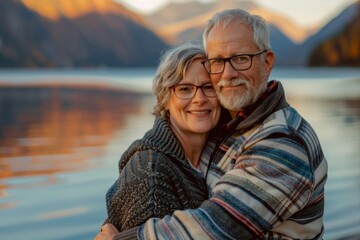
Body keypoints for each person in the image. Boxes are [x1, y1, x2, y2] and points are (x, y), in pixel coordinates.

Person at [101, 8, 328, 240]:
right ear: (165, 98)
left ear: (267, 62)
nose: (228, 74)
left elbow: (216, 227)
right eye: (218, 61)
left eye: (241, 58)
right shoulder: (230, 127)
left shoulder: (284, 142)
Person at [94, 42, 226, 239]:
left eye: (209, 87)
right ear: (165, 98)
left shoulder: (221, 154)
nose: (199, 98)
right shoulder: (152, 173)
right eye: (184, 89)